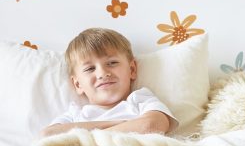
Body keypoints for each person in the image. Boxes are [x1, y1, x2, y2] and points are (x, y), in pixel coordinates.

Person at [41, 28, 177, 136]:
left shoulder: (139, 100)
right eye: (90, 69)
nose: (102, 73)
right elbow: (47, 134)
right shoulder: (75, 114)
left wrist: (88, 138)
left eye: (112, 63)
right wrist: (118, 124)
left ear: (132, 69)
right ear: (78, 84)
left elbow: (152, 125)